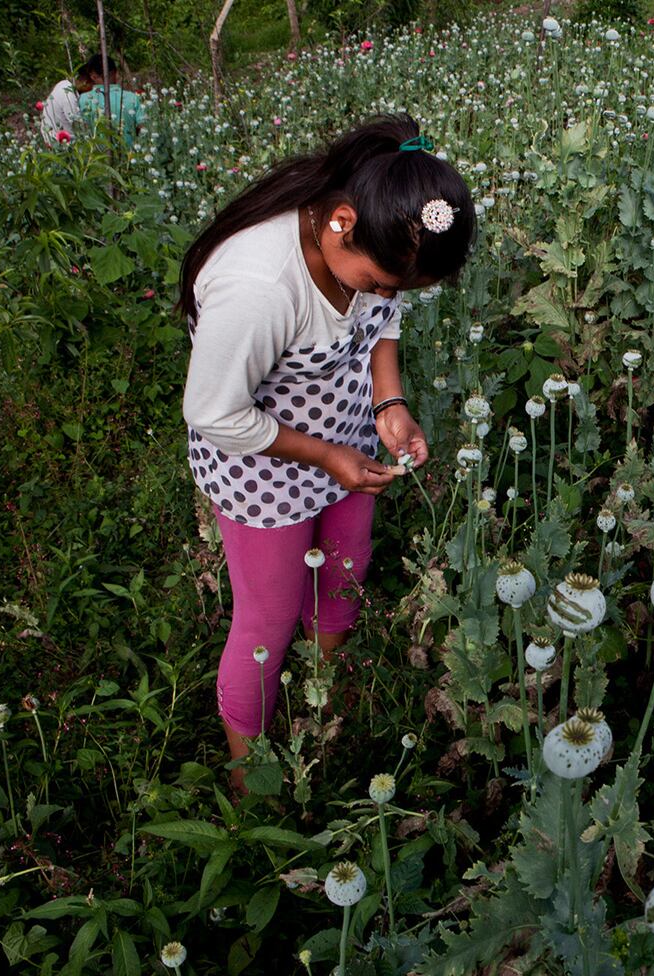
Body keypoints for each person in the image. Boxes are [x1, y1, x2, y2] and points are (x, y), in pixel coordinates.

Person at [179, 114, 474, 796]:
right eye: (377, 281)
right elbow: (213, 412)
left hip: (344, 441)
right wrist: (325, 456)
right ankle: (249, 777)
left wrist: (388, 405)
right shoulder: (259, 287)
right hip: (261, 470)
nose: (385, 296)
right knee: (269, 618)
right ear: (342, 221)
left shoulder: (372, 241)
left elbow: (382, 324)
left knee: (345, 575)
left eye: (398, 288)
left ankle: (319, 705)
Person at [77, 57, 146, 148]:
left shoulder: (83, 99)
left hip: (96, 157)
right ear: (115, 72)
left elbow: (82, 129)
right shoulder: (132, 98)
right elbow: (143, 129)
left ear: (92, 76)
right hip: (128, 156)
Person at [40, 54, 104, 143]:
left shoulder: (63, 84)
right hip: (58, 142)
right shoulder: (69, 96)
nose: (92, 90)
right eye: (92, 86)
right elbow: (80, 128)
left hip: (54, 136)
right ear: (86, 83)